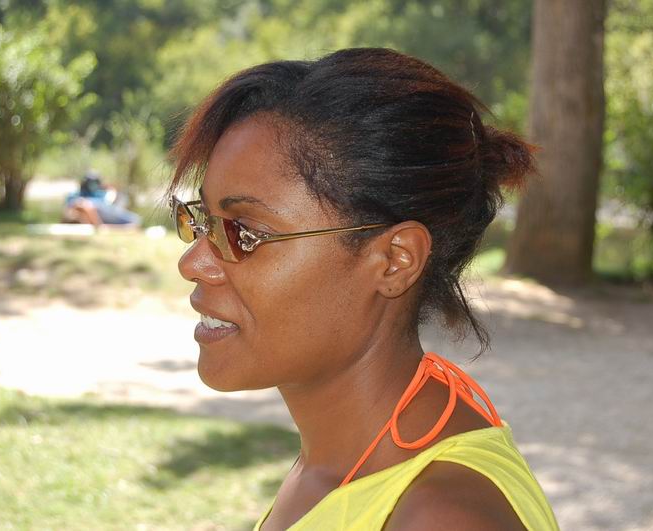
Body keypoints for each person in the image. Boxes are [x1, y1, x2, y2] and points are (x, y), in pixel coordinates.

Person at [168, 48, 559, 530]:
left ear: (395, 260)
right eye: (202, 221)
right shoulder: (340, 459)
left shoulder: (439, 517)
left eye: (244, 232)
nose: (193, 263)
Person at [62, 171, 141, 227]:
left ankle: (102, 226)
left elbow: (112, 201)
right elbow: (83, 206)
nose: (92, 185)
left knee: (135, 220)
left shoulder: (101, 194)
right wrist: (98, 225)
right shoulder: (77, 196)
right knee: (135, 221)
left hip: (105, 212)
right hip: (97, 213)